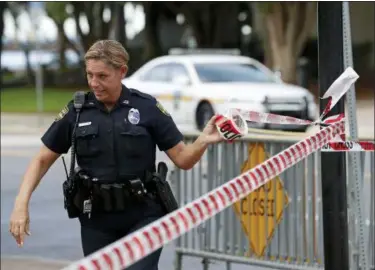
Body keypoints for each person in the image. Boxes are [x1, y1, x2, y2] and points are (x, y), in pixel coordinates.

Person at [9, 40, 223, 269]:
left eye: (102, 76)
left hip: (143, 215)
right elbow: (41, 159)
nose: (94, 83)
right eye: (90, 75)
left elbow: (183, 159)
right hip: (96, 220)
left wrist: (202, 141)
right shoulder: (77, 111)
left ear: (122, 71)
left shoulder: (147, 108)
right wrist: (21, 204)